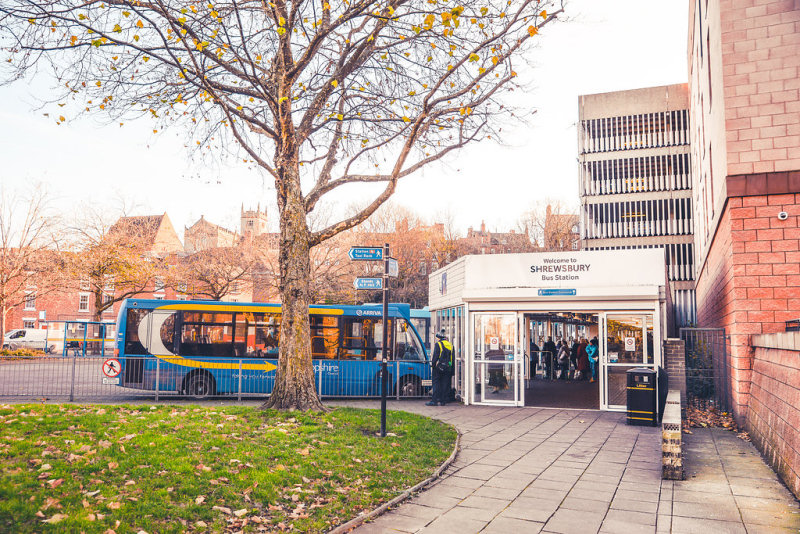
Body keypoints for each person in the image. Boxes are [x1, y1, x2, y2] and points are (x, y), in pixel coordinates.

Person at [426, 329, 453, 406]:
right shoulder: (450, 344)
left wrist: (433, 365)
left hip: (439, 368)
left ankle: (434, 401)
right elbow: (452, 357)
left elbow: (435, 357)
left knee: (436, 383)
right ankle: (443, 401)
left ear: (439, 338)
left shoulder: (438, 344)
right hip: (447, 367)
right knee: (444, 384)